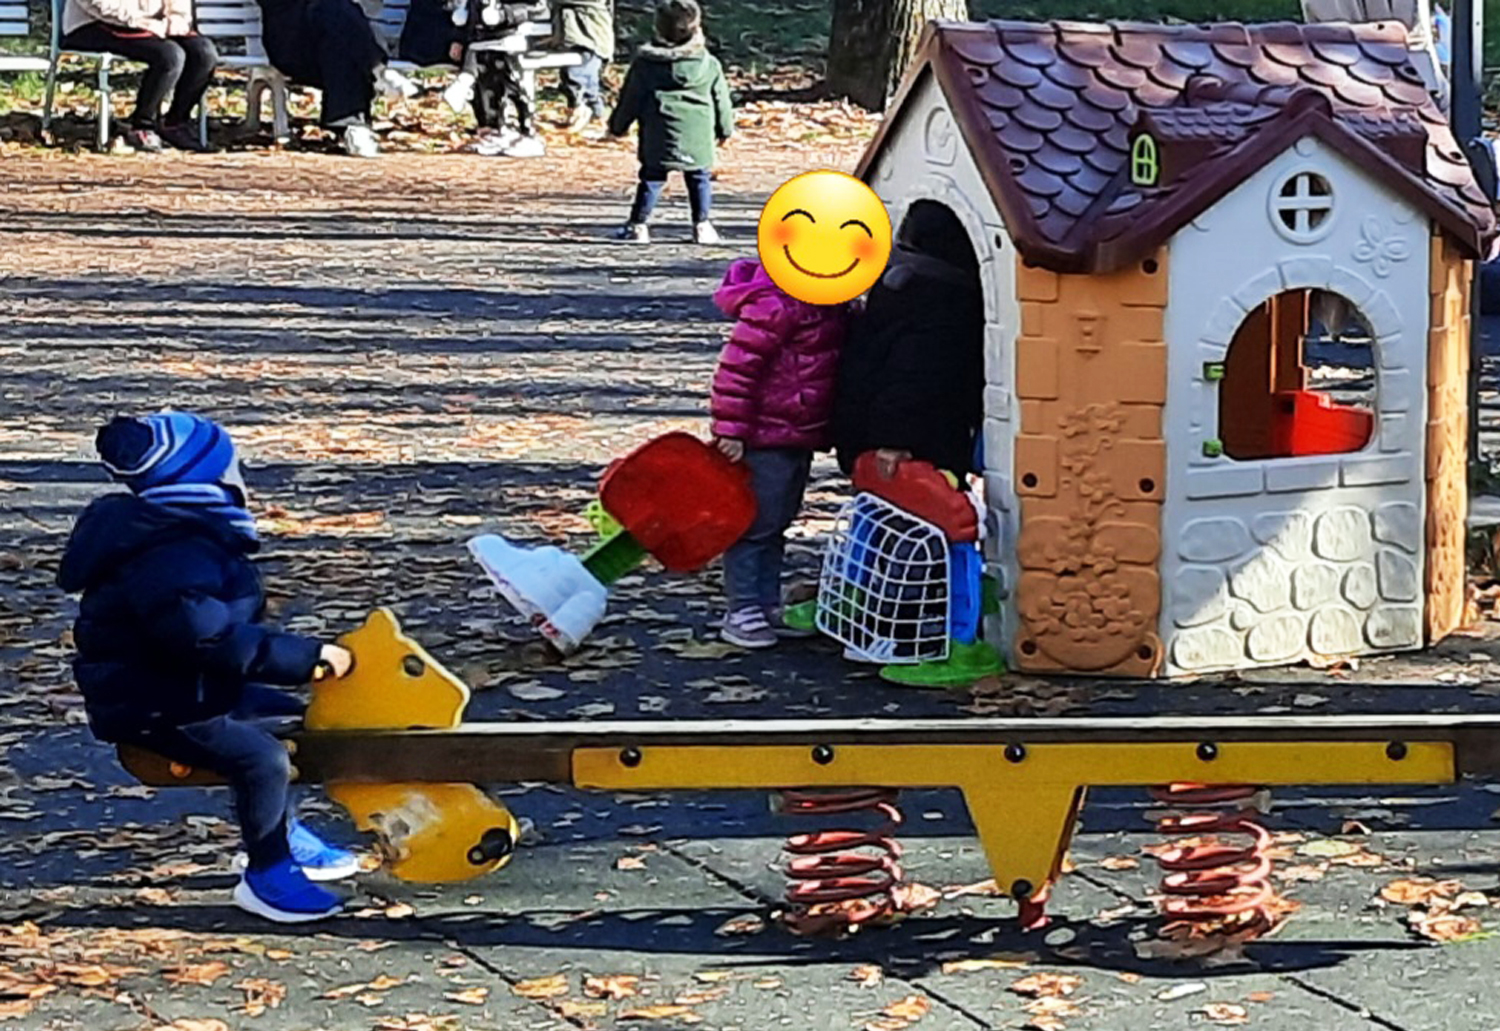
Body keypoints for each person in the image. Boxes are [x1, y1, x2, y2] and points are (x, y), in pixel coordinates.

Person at [57, 412, 360, 923]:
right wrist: (306, 657)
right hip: (154, 703)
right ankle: (267, 874)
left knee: (286, 719)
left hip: (181, 686)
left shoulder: (180, 534)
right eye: (231, 469)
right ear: (205, 480)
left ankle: (278, 831)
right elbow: (203, 637)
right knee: (261, 758)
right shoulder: (172, 550)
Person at [709, 259, 850, 649]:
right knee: (753, 524)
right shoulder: (777, 305)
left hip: (795, 433)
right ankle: (742, 608)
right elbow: (737, 371)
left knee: (776, 523)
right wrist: (731, 430)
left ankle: (764, 602)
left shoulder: (828, 304)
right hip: (764, 433)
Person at [832, 200, 985, 482]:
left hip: (867, 428)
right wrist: (895, 439)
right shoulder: (942, 302)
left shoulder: (895, 282)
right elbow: (912, 375)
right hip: (916, 441)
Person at [607, 0, 732, 244]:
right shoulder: (709, 65)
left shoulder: (645, 66)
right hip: (698, 136)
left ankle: (638, 225)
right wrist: (725, 129)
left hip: (657, 134)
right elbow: (721, 101)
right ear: (697, 28)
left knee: (652, 178)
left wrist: (617, 127)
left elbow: (630, 99)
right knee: (699, 178)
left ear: (658, 29)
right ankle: (702, 225)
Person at [60, 0, 219, 152]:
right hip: (93, 23)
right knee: (170, 56)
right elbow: (96, 4)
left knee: (204, 54)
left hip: (151, 25)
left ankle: (175, 123)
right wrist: (138, 21)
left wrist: (177, 17)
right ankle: (143, 125)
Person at [254, 0, 406, 157]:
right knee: (333, 10)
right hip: (293, 46)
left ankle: (353, 127)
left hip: (338, 43)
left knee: (337, 16)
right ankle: (376, 70)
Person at [551, 0, 614, 131]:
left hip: (589, 37)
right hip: (578, 35)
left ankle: (588, 113)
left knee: (579, 78)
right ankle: (595, 116)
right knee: (578, 79)